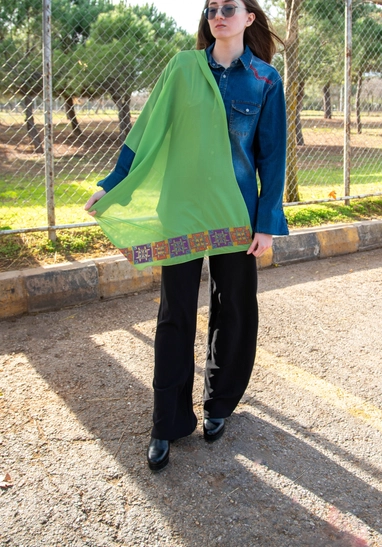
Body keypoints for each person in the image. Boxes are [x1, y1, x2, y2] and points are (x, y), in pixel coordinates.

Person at [84, 0, 288, 472]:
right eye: (211, 8)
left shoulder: (264, 80)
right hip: (180, 213)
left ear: (249, 17)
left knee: (234, 308)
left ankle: (219, 405)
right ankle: (167, 422)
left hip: (235, 215)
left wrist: (267, 222)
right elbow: (149, 128)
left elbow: (271, 156)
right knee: (175, 313)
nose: (218, 14)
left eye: (229, 7)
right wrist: (111, 184)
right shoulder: (182, 67)